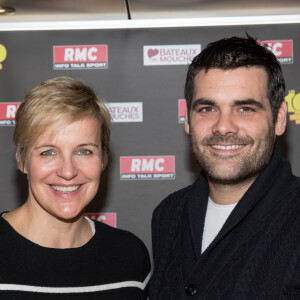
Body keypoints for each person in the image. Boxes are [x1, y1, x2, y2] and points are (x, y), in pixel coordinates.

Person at [149, 35, 300, 299]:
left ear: (278, 119)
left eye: (245, 109)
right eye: (207, 109)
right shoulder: (168, 215)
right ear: (187, 120)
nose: (223, 126)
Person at [0, 77, 151, 299]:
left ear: (103, 159)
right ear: (22, 161)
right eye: (48, 152)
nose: (68, 171)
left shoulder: (129, 258)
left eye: (84, 151)